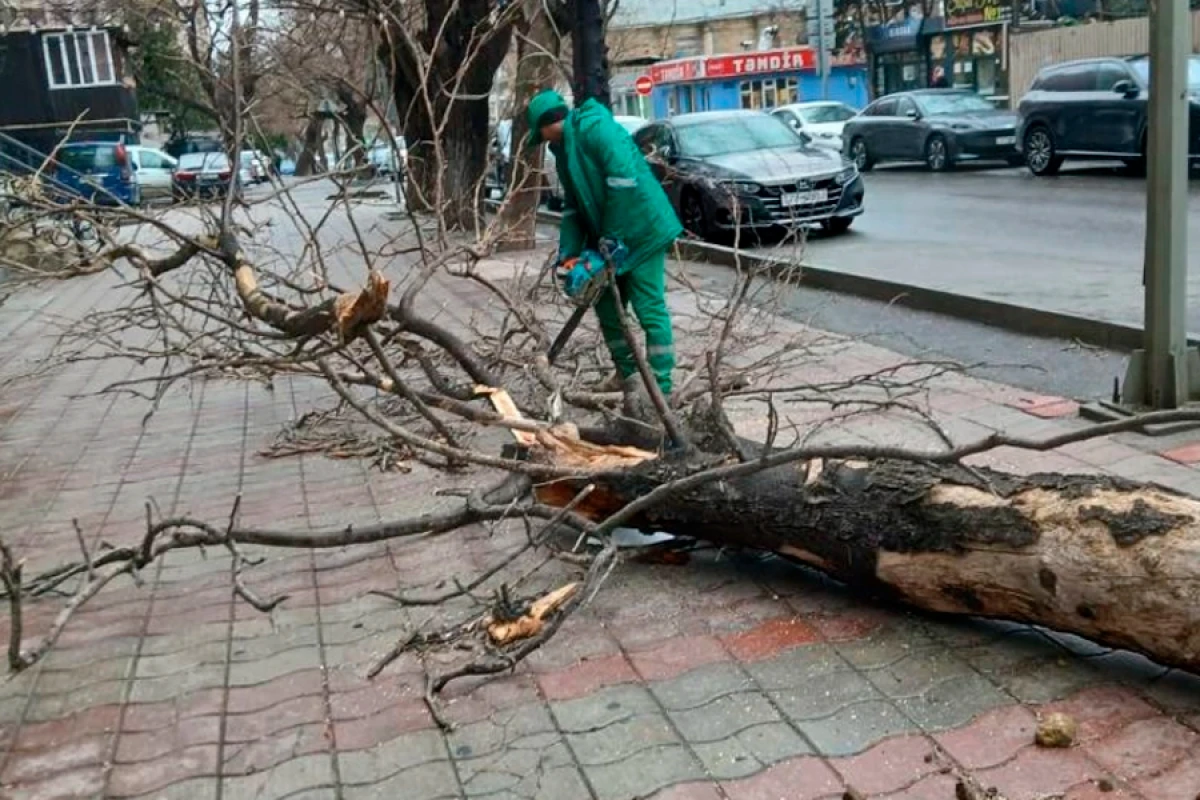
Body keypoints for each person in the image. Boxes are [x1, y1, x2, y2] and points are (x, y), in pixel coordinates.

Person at [525, 88, 683, 407]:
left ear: (547, 123)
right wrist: (569, 253)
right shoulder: (563, 151)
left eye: (539, 135)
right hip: (613, 239)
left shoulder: (597, 129)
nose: (542, 142)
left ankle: (662, 386)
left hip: (643, 230)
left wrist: (611, 238)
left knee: (648, 307)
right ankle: (628, 376)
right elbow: (574, 207)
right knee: (607, 308)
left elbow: (624, 183)